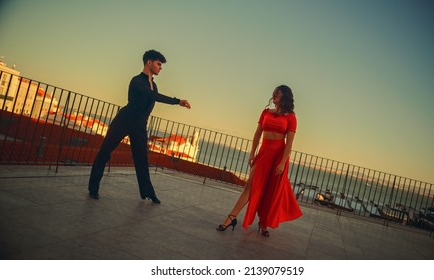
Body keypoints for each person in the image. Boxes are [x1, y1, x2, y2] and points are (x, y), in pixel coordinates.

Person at [88, 50, 191, 203]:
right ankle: (93, 188)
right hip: (124, 120)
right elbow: (153, 97)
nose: (160, 68)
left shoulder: (154, 85)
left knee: (142, 159)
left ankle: (147, 192)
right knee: (105, 152)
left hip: (139, 126)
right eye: (158, 64)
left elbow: (151, 100)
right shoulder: (136, 81)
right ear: (148, 63)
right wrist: (178, 101)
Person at [216, 85, 302, 236]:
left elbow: (289, 143)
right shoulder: (265, 112)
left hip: (278, 156)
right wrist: (251, 154)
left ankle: (264, 223)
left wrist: (282, 162)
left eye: (278, 92)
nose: (274, 94)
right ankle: (231, 218)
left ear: (285, 96)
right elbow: (257, 134)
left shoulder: (291, 117)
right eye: (274, 91)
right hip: (263, 153)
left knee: (271, 191)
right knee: (250, 185)